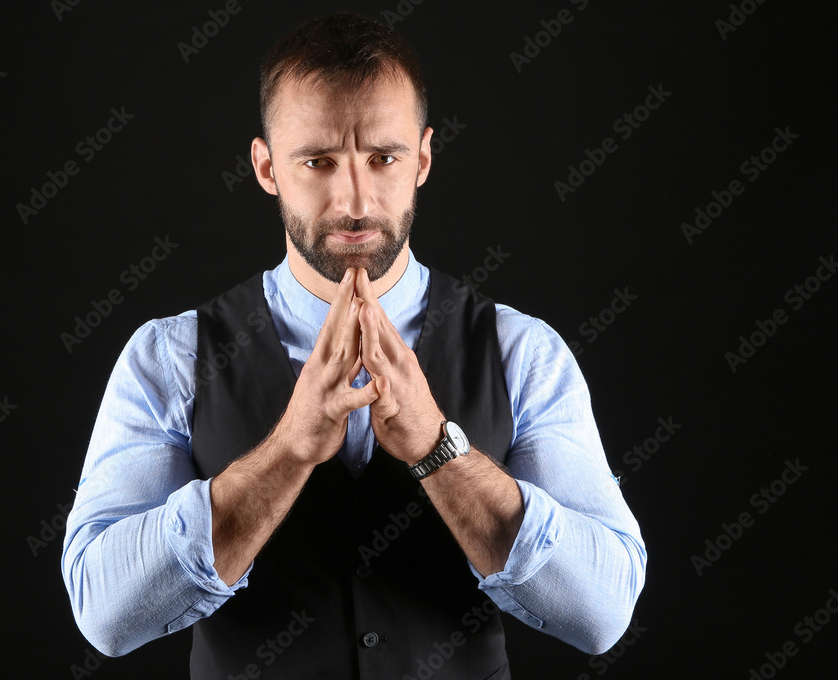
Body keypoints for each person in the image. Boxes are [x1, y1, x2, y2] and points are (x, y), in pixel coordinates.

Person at [62, 12, 645, 679]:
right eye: (318, 161)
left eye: (383, 157)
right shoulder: (170, 357)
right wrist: (287, 451)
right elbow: (105, 615)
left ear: (422, 158)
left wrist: (437, 447)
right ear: (266, 167)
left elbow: (603, 612)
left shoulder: (521, 351)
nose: (355, 200)